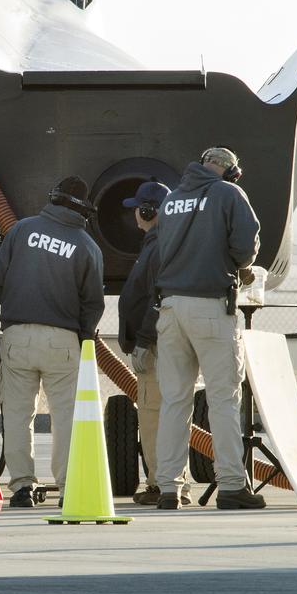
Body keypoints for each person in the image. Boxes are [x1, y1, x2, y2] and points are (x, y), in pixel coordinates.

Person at [153, 147, 266, 511]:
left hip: (170, 308)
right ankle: (232, 484)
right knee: (223, 399)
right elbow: (246, 249)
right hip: (210, 307)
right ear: (228, 171)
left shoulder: (171, 201)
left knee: (174, 400)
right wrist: (240, 267)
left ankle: (169, 487)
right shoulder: (227, 193)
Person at [0, 176, 105, 508]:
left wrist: (16, 308)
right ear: (84, 210)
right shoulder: (87, 247)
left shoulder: (21, 231)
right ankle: (69, 488)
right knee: (66, 417)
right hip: (63, 340)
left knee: (17, 414)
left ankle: (22, 486)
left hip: (17, 335)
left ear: (53, 198)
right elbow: (93, 303)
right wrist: (81, 337)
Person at [117, 180, 192, 506]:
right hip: (169, 340)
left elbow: (156, 298)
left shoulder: (159, 245)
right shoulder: (167, 242)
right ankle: (175, 482)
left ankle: (162, 483)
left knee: (153, 414)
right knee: (173, 412)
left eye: (139, 207)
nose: (135, 213)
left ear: (149, 211)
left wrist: (144, 340)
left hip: (158, 344)